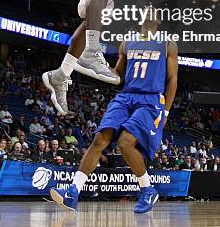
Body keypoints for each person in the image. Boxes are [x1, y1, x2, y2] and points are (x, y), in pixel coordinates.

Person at [50, 16, 178, 214]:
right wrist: (97, 64)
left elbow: (172, 79)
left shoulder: (168, 43)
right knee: (100, 139)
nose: (149, 10)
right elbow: (118, 76)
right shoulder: (127, 41)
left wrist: (166, 111)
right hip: (126, 96)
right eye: (146, 8)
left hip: (150, 100)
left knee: (125, 143)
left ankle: (148, 189)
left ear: (159, 20)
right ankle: (72, 192)